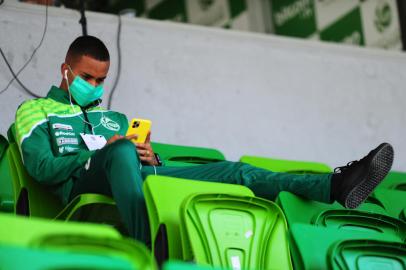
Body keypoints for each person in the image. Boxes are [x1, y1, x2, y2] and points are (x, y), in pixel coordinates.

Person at [15, 36, 394, 244]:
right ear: (66, 70)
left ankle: (335, 184)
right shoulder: (34, 110)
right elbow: (41, 168)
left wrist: (147, 158)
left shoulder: (112, 118)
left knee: (235, 171)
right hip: (80, 187)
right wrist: (103, 153)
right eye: (87, 77)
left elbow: (137, 164)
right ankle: (149, 246)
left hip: (131, 176)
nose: (94, 86)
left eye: (101, 80)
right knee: (119, 151)